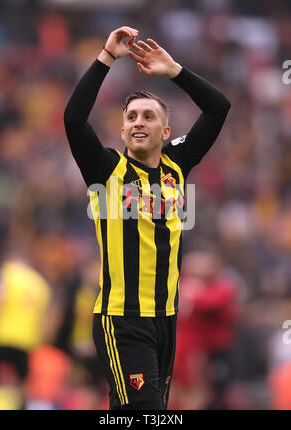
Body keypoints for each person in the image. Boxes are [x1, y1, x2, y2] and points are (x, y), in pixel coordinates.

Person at [64, 26, 231, 410]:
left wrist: (175, 71)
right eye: (132, 117)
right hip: (121, 321)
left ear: (165, 130)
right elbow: (73, 119)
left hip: (166, 320)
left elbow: (218, 107)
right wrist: (106, 57)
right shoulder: (106, 169)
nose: (139, 122)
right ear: (122, 130)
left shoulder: (177, 163)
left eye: (149, 117)